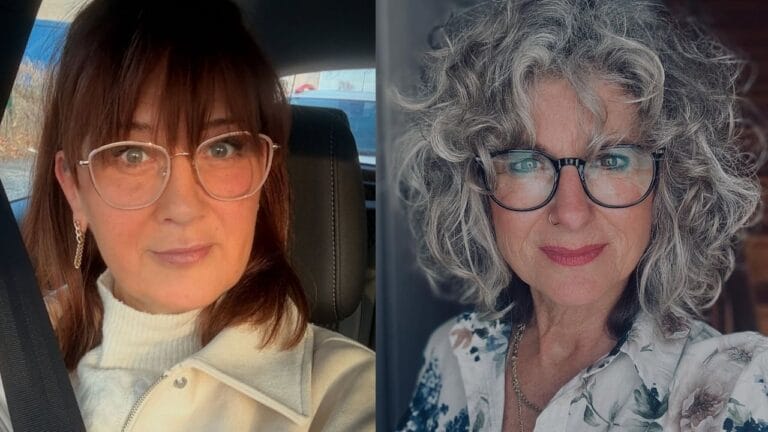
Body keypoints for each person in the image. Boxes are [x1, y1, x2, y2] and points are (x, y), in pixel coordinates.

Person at [0, 0, 374, 430]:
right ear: (74, 188)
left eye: (222, 148)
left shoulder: (357, 393)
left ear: (264, 169)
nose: (182, 207)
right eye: (132, 154)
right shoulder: (16, 357)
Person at [396, 0, 767, 431]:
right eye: (525, 163)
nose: (571, 213)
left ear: (668, 188)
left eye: (612, 161)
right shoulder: (452, 353)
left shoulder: (738, 387)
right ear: (477, 190)